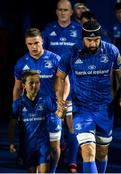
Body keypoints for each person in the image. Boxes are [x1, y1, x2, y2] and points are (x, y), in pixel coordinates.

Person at [55, 20, 121, 173]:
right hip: (81, 109)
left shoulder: (111, 51)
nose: (93, 44)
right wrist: (60, 99)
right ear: (82, 38)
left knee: (101, 153)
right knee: (88, 151)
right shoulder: (71, 53)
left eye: (96, 40)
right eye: (89, 40)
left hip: (105, 109)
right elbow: (59, 76)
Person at [12, 28, 67, 173]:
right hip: (31, 114)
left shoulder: (55, 59)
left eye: (36, 43)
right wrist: (16, 110)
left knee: (54, 148)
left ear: (42, 41)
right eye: (30, 44)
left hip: (51, 111)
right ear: (26, 44)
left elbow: (65, 82)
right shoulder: (21, 63)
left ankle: (53, 171)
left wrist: (62, 101)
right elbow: (17, 88)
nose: (34, 47)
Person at [42, 0, 82, 172]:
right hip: (51, 85)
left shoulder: (79, 30)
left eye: (66, 10)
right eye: (60, 10)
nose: (63, 13)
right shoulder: (48, 30)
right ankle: (58, 148)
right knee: (54, 120)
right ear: (56, 12)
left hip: (72, 83)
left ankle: (72, 161)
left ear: (71, 12)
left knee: (71, 121)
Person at [8, 70, 62, 173]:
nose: (35, 85)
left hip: (44, 144)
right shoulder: (18, 104)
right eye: (31, 83)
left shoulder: (46, 100)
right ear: (24, 85)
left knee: (44, 171)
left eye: (37, 82)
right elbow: (12, 125)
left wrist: (61, 113)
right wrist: (11, 142)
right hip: (27, 146)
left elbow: (56, 116)